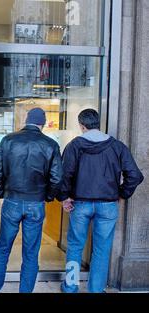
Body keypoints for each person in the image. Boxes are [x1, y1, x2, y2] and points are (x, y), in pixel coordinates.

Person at [58, 109, 144, 293]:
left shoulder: (74, 146)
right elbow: (135, 175)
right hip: (108, 205)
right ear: (98, 123)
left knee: (74, 246)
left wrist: (64, 197)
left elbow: (64, 175)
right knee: (102, 250)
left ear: (82, 125)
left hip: (79, 204)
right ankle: (96, 289)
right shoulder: (117, 146)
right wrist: (122, 194)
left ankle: (71, 287)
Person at [0, 108, 63, 293]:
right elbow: (57, 178)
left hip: (12, 200)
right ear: (42, 123)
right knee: (31, 253)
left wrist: (1, 191)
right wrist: (48, 196)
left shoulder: (9, 140)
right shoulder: (51, 144)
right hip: (36, 203)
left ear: (26, 120)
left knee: (2, 248)